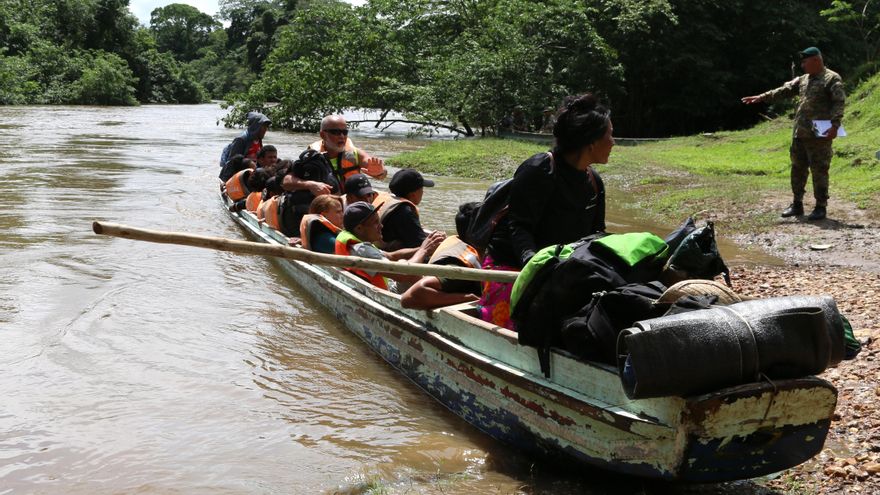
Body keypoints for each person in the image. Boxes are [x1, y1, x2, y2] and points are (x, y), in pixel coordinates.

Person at [480, 93, 613, 329]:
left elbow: (597, 233)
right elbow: (519, 226)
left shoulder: (594, 181)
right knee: (518, 327)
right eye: (609, 135)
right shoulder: (539, 169)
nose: (613, 143)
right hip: (513, 264)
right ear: (591, 142)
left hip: (559, 269)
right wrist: (533, 266)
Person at [742, 46, 846, 221]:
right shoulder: (804, 79)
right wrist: (761, 97)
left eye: (805, 61)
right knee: (797, 169)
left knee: (819, 170)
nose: (803, 65)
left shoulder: (831, 78)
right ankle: (797, 204)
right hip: (800, 133)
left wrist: (835, 126)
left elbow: (839, 102)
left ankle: (821, 206)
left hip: (819, 135)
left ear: (816, 60)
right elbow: (783, 91)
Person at [334, 202, 444, 290]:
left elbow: (390, 256)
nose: (381, 226)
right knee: (406, 267)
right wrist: (423, 250)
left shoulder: (360, 242)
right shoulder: (362, 250)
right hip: (389, 292)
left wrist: (424, 248)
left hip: (389, 284)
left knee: (405, 262)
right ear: (359, 228)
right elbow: (404, 274)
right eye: (375, 223)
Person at [300, 115, 387, 197]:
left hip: (351, 202)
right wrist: (310, 184)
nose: (342, 136)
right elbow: (287, 181)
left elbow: (382, 173)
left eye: (345, 132)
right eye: (336, 132)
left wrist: (380, 172)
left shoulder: (355, 154)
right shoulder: (311, 156)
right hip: (328, 205)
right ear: (323, 135)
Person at [400, 235, 482, 310]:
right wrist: (470, 298)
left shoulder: (459, 244)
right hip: (410, 285)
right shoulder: (460, 268)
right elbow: (410, 295)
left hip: (430, 273)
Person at [373, 168, 441, 250]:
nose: (423, 192)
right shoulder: (404, 211)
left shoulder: (387, 199)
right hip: (388, 253)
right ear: (413, 194)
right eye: (421, 189)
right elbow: (421, 245)